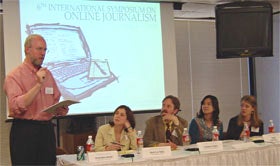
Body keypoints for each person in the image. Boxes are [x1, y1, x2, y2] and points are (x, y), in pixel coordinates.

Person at [3, 34, 69, 165]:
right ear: (27, 49)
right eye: (39, 49)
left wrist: (61, 109)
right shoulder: (14, 76)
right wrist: (38, 84)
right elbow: (16, 105)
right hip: (25, 131)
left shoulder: (47, 74)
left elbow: (55, 99)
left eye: (45, 50)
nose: (43, 53)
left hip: (46, 131)